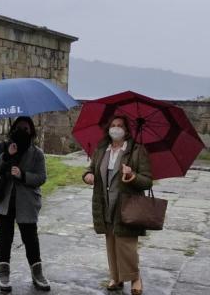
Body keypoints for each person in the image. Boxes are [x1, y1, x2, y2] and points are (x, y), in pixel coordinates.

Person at [82, 115, 152, 295]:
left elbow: (148, 181)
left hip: (126, 204)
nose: (116, 128)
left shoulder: (136, 150)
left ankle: (135, 277)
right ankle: (116, 276)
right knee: (111, 241)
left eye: (120, 125)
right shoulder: (102, 149)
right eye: (113, 125)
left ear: (127, 130)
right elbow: (91, 169)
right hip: (105, 202)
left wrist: (133, 175)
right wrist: (87, 176)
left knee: (126, 243)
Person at [0, 116, 50, 292]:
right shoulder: (3, 146)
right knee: (5, 237)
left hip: (27, 203)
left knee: (30, 238)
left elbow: (42, 177)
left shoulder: (37, 153)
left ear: (31, 131)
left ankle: (38, 274)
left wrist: (23, 175)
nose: (22, 131)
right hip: (3, 201)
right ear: (13, 129)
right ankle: (3, 274)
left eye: (26, 128)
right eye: (19, 128)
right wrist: (7, 155)